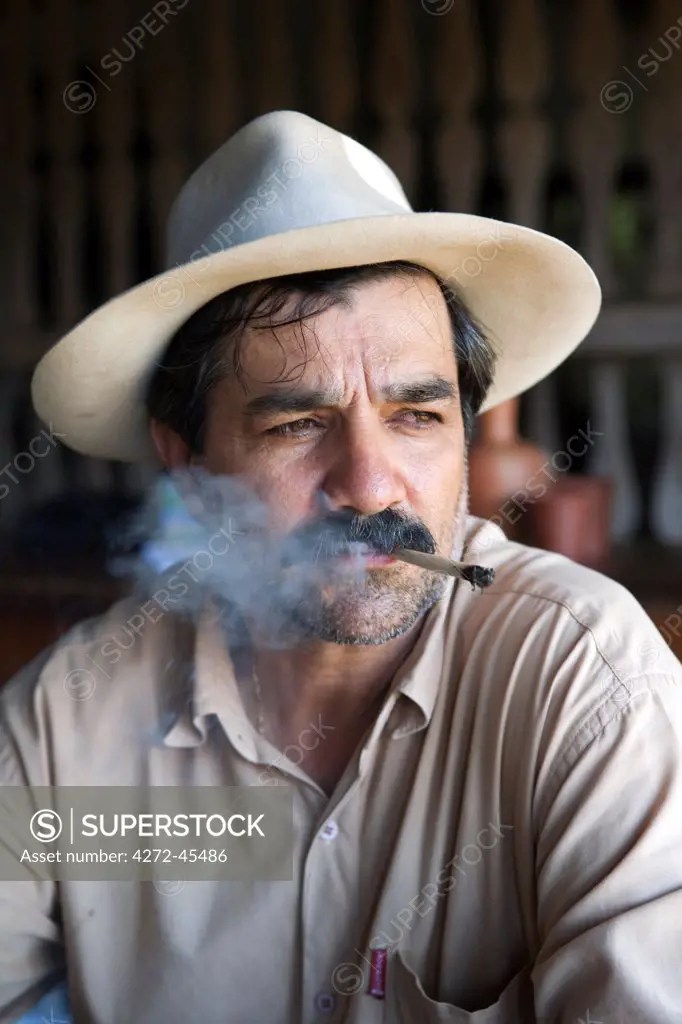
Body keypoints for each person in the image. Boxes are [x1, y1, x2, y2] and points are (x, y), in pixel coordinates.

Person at [1, 110, 681, 1024]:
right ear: (188, 461)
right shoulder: (68, 727)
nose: (368, 487)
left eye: (417, 416)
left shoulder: (586, 689)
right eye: (296, 424)